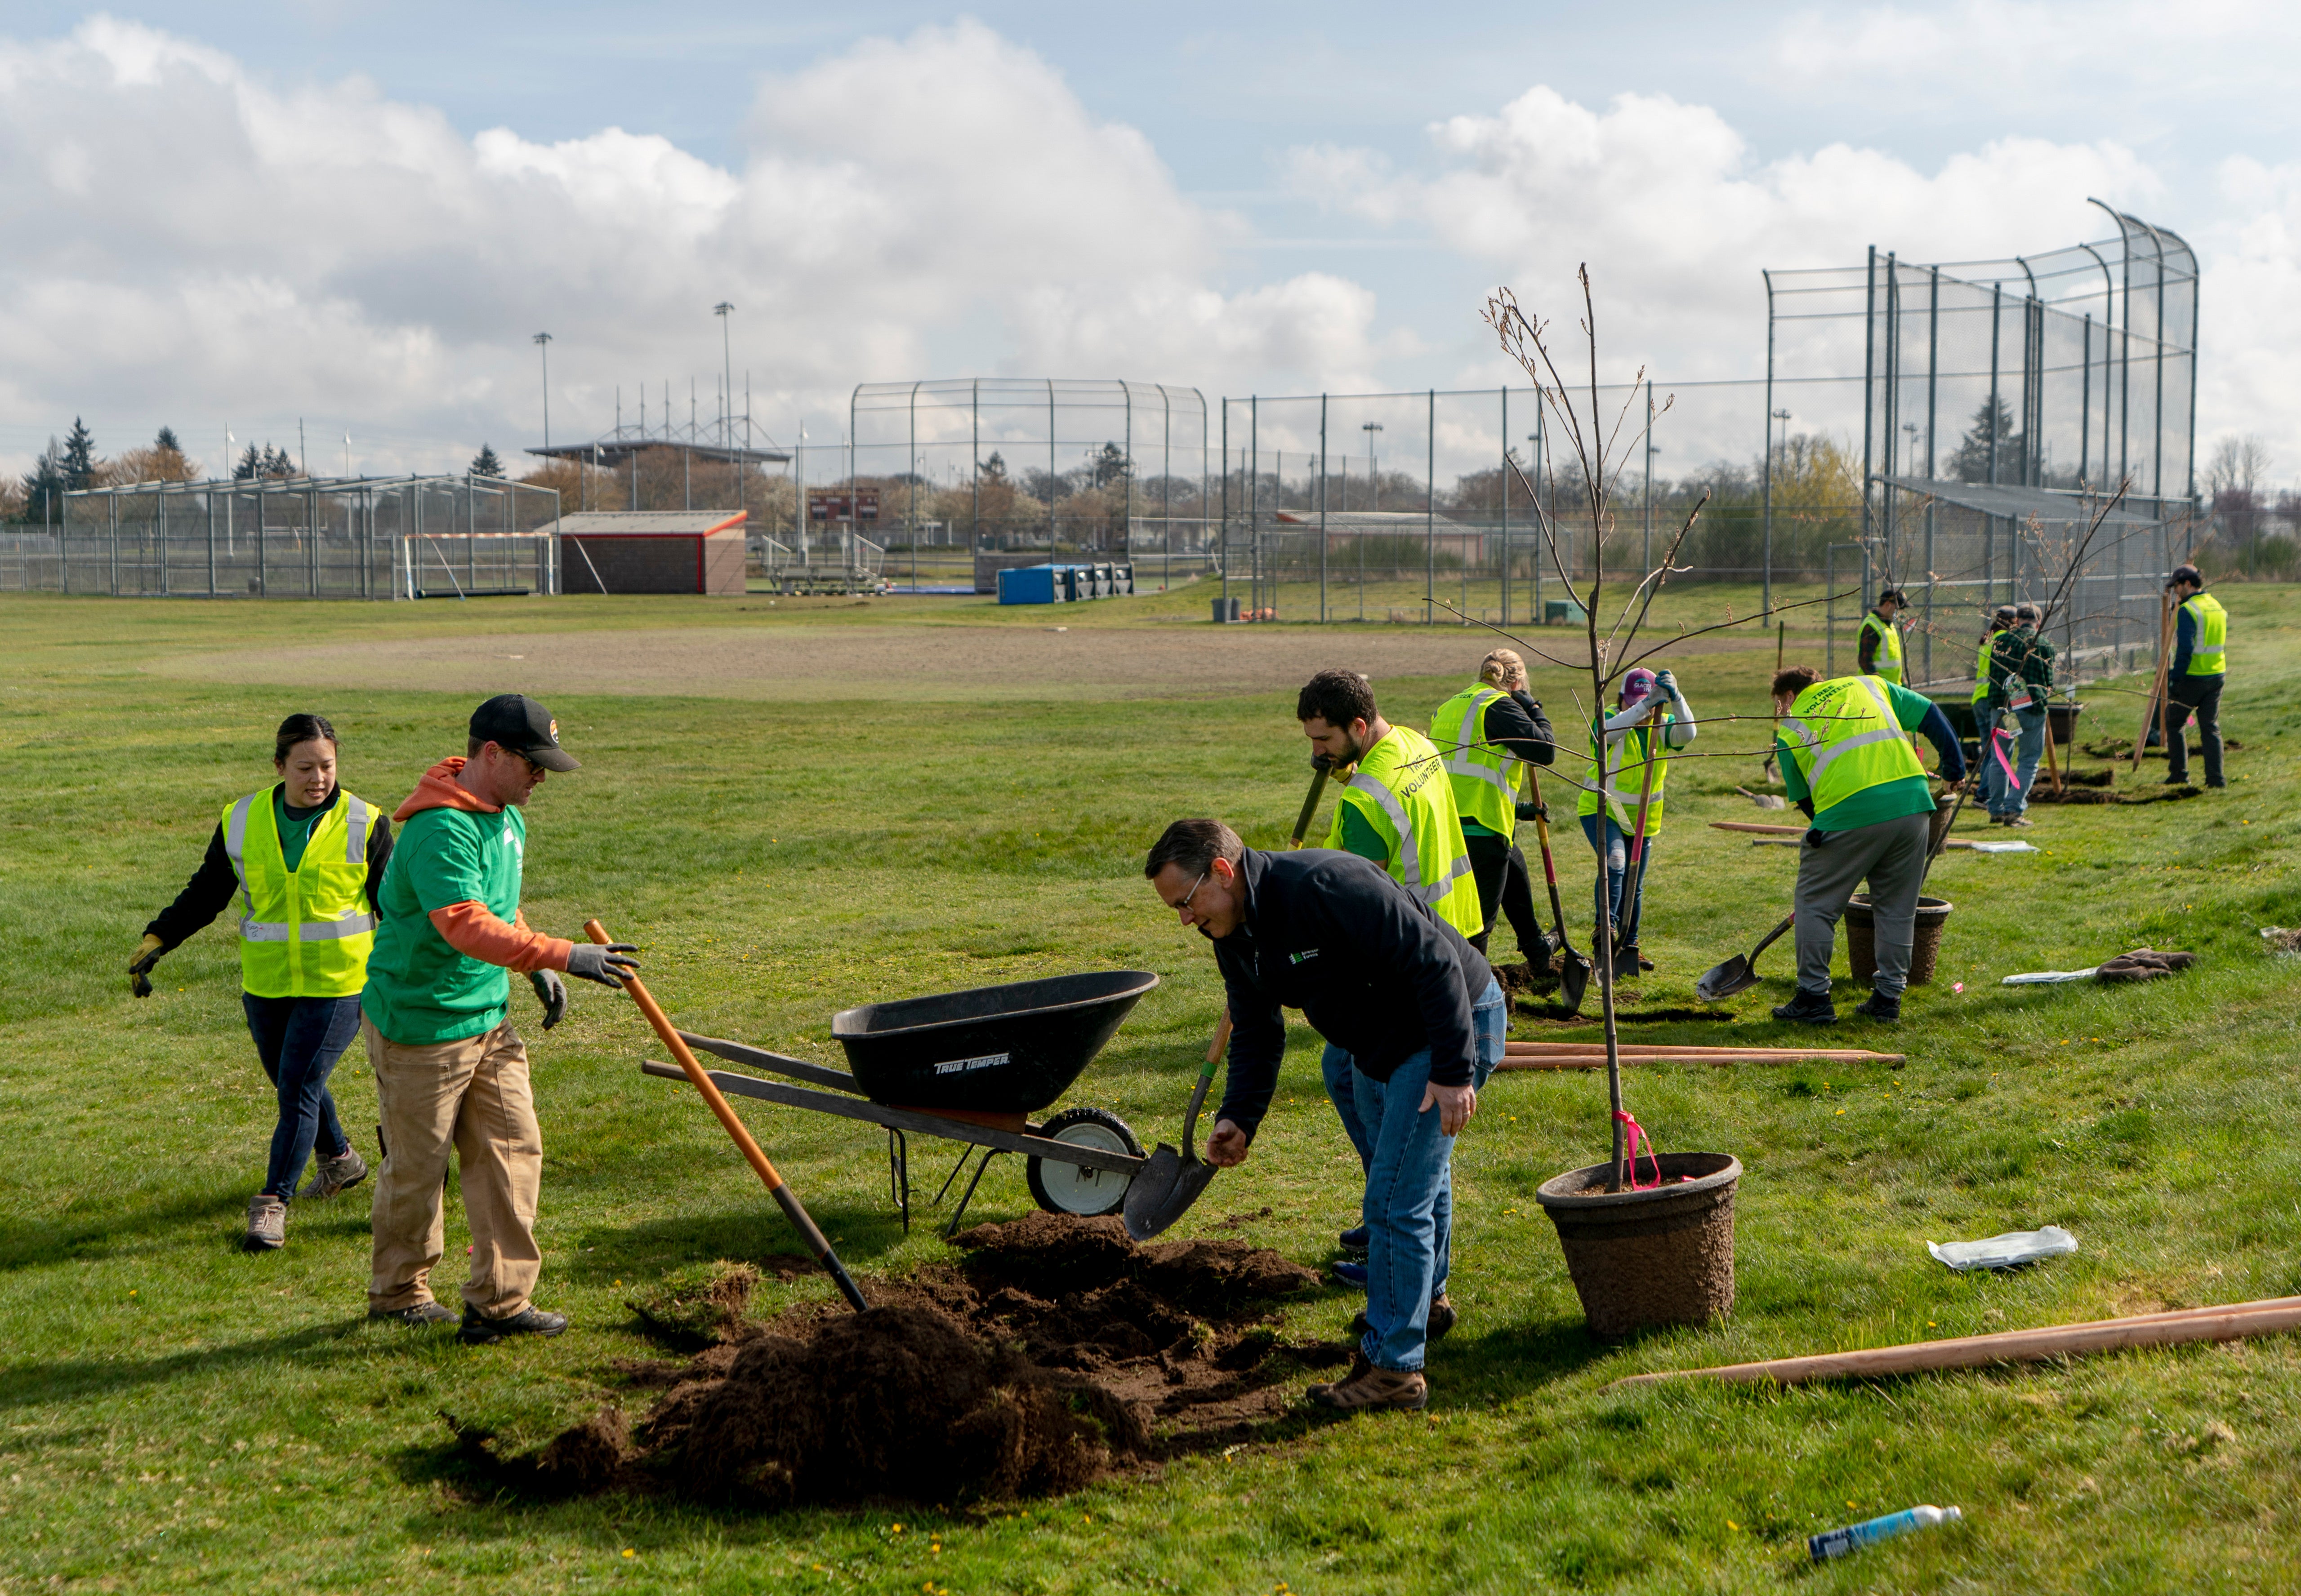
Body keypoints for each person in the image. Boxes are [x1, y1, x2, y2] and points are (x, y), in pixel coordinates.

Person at [1144, 818, 1505, 1413]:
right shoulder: (1230, 928)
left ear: (1223, 871)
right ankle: (1424, 1300)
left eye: (1186, 901)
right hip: (1380, 1036)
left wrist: (1453, 1071)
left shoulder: (1325, 886)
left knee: (1392, 1198)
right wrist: (1239, 1114)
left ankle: (1394, 1369)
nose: (1184, 919)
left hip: (1444, 1021)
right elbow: (1256, 1025)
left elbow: (1435, 962)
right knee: (1406, 1174)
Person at [359, 695, 638, 1339]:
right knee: (418, 1169)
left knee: (513, 1151)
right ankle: (399, 1291)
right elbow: (463, 923)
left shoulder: (506, 816)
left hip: (486, 1019)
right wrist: (561, 954)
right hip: (420, 1025)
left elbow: (497, 909)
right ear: (492, 754)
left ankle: (499, 1302)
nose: (542, 776)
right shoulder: (439, 829)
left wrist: (529, 960)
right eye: (533, 764)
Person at [130, 714, 390, 1253]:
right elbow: (208, 891)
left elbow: (397, 904)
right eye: (305, 767)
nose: (318, 777)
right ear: (279, 766)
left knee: (297, 1087)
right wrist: (159, 937)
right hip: (267, 984)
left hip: (339, 982)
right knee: (294, 1082)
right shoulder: (242, 818)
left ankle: (273, 1203)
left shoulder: (366, 820)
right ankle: (341, 1159)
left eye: (328, 765)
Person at [1299, 668, 1485, 1267]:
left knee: (1376, 1098)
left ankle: (1394, 1222)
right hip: (1456, 933)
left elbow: (1352, 911)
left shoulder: (1362, 803)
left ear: (1357, 726)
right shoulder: (1413, 743)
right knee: (1343, 1074)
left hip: (1409, 972)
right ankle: (1391, 1210)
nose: (1315, 754)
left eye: (1323, 740)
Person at [1769, 667, 1967, 1024]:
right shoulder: (1870, 685)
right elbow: (1931, 714)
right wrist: (1954, 765)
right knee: (1896, 908)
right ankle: (1888, 998)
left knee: (1815, 904)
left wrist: (1826, 829)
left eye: (1779, 705)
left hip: (1848, 811)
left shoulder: (1789, 728)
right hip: (1912, 803)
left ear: (1788, 697)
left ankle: (1814, 997)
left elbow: (1805, 800)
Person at [1428, 648, 1556, 959]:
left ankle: (1536, 949)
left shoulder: (1450, 706)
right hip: (1480, 832)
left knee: (1514, 862)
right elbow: (1546, 750)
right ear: (1517, 684)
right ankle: (1471, 994)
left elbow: (1463, 773)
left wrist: (1516, 809)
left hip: (1446, 823)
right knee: (1477, 929)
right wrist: (1534, 706)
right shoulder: (1498, 706)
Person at [1575, 667, 1696, 978]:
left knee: (1635, 883)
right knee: (1615, 862)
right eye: (1634, 702)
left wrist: (1677, 699)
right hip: (1603, 807)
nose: (1640, 709)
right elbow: (1608, 735)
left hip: (1642, 819)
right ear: (1623, 699)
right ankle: (1606, 932)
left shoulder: (1662, 725)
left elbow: (1689, 734)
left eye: (1648, 703)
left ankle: (1631, 944)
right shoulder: (1610, 720)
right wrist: (1647, 703)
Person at [1982, 603, 2056, 827]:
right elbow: (2049, 683)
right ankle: (2014, 809)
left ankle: (1995, 809)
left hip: (2005, 710)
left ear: (2017, 621)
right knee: (2029, 760)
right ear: (2038, 622)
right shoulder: (2042, 644)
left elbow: (1994, 675)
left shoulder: (2001, 640)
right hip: (2030, 710)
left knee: (2001, 759)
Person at [2158, 565, 2227, 788]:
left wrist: (2175, 679)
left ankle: (2179, 774)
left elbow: (2185, 650)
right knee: (2210, 728)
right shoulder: (2216, 606)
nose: (2176, 592)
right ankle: (2216, 780)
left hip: (2193, 678)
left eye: (2177, 587)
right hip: (2217, 675)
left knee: (2174, 721)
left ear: (2188, 584)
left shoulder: (2188, 610)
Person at [1856, 587, 1909, 685]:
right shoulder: (1872, 626)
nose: (1898, 612)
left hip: (1892, 686)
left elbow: (1893, 657)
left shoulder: (1889, 625)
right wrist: (1879, 683)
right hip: (1876, 687)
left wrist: (1902, 679)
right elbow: (1865, 661)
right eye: (1897, 609)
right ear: (1888, 605)